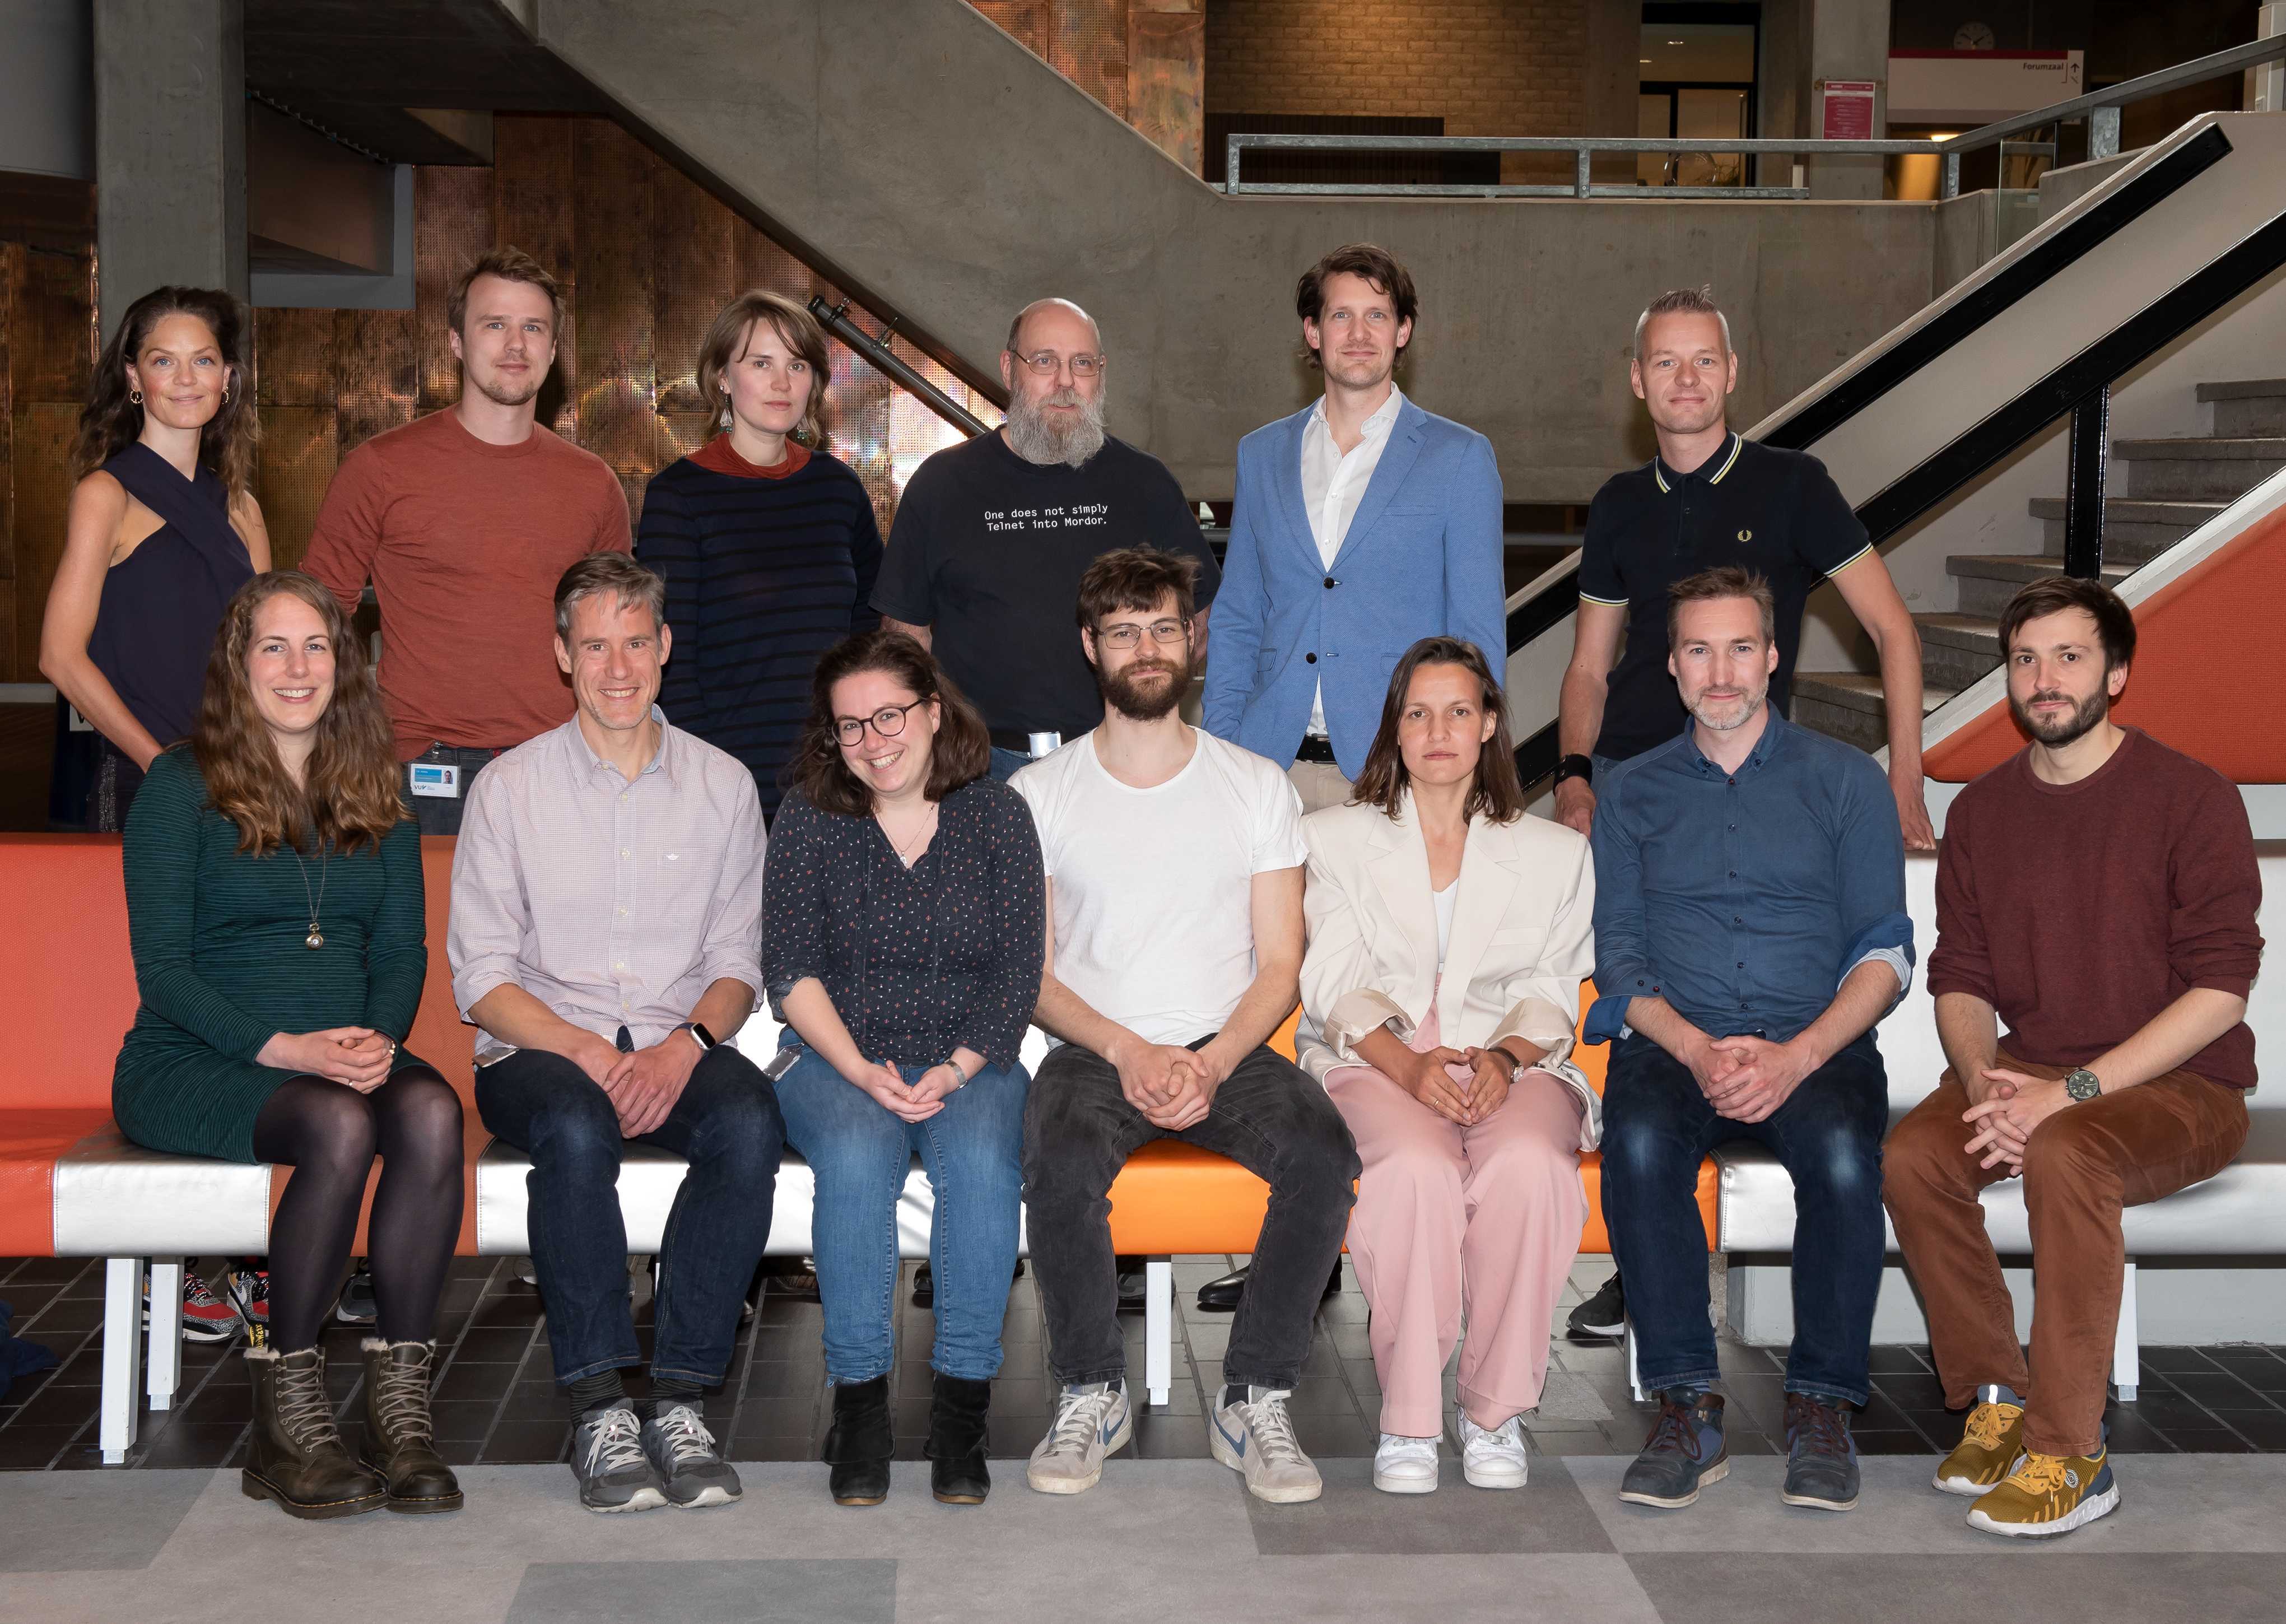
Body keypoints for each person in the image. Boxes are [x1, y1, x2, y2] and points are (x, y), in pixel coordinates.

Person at [1551, 284, 1933, 1344]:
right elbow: (1588, 663)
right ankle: (1646, 1253)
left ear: (1730, 373)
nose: (1684, 379)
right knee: (1634, 1018)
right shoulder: (1619, 502)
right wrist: (1575, 773)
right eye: (1663, 362)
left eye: (1702, 361)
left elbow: (1893, 631)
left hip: (1752, 766)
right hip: (1638, 783)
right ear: (1638, 382)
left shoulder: (1794, 485)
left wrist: (1903, 773)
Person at [1883, 576, 2260, 1540]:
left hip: (2184, 1088)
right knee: (1917, 1154)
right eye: (2024, 658)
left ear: (2118, 672)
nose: (2042, 678)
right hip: (2029, 1068)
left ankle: (2071, 1450)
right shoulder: (1981, 812)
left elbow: (2218, 990)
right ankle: (1999, 1398)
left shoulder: (2191, 797)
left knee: (2067, 1149)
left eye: (2069, 655)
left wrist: (2066, 1095)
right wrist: (1984, 1087)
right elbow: (1958, 975)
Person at [1014, 547, 1359, 1505]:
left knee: (1324, 1153)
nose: (1147, 646)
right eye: (1123, 630)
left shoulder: (1255, 785)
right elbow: (1032, 974)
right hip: (1094, 1048)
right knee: (1061, 1153)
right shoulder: (1041, 795)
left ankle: (1253, 1395)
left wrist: (1208, 1060)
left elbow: (1281, 964)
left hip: (1229, 1046)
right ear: (1091, 646)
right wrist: (1128, 1049)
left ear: (1194, 636)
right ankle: (1091, 1388)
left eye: (1164, 625)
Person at [114, 571, 463, 1520]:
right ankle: (289, 1411)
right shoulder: (183, 784)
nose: (297, 666)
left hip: (338, 1054)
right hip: (195, 1057)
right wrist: (289, 1049)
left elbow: (400, 950)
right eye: (274, 646)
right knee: (341, 1124)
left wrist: (375, 1038)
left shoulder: (375, 787)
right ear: (239, 664)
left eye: (316, 646)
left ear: (344, 665)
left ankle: (399, 1410)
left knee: (431, 1109)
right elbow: (165, 973)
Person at [449, 554, 781, 1515]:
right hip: (541, 1052)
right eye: (595, 644)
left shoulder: (722, 786)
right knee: (578, 1128)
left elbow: (739, 957)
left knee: (749, 1123)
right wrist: (590, 1051)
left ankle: (679, 1399)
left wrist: (685, 1043)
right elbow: (483, 976)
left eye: (637, 640)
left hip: (680, 1040)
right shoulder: (509, 788)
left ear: (666, 647)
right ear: (562, 655)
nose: (619, 665)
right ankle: (598, 1407)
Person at [1589, 566, 1911, 1516]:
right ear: (1673, 665)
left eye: (1739, 647)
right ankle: (1686, 1402)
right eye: (1698, 649)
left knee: (1849, 1157)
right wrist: (1695, 1048)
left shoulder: (1846, 780)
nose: (1719, 671)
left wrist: (1797, 1054)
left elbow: (1885, 952)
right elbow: (1620, 961)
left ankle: (1820, 1402)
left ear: (1773, 657)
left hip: (1816, 1039)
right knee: (1640, 1143)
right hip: (1674, 1036)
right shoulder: (1632, 791)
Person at [1298, 636, 1599, 1495]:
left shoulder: (1554, 853)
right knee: (1418, 1168)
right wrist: (1406, 1062)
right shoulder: (1333, 839)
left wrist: (1505, 1057)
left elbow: (1550, 986)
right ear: (1395, 728)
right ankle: (1409, 1417)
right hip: (1377, 1049)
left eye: (1459, 710)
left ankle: (1494, 1408)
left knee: (1530, 1164)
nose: (1439, 730)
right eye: (1419, 712)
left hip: (1513, 1052)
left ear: (1490, 723)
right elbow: (1329, 979)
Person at [764, 629, 1042, 1507]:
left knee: (984, 1168)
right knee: (854, 1161)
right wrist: (856, 1067)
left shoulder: (997, 810)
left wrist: (959, 1068)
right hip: (834, 1052)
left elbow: (1017, 967)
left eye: (889, 714)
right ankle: (859, 1409)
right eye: (850, 726)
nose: (873, 740)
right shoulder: (810, 813)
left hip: (972, 1054)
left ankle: (961, 1408)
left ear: (931, 710)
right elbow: (790, 968)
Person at [305, 245, 631, 837]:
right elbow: (316, 619)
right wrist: (332, 747)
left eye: (533, 328)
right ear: (456, 341)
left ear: (554, 351)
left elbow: (615, 638)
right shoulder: (380, 467)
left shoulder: (593, 485)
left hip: (559, 769)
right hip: (420, 774)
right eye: (494, 324)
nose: (515, 345)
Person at [1203, 243, 1506, 815]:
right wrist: (1224, 744)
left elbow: (1477, 636)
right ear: (1313, 332)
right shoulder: (1261, 454)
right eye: (1341, 315)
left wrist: (1462, 766)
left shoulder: (1460, 458)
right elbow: (1240, 613)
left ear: (1403, 331)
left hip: (1396, 770)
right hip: (1268, 770)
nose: (1359, 333)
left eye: (1377, 315)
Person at [873, 297, 1221, 781]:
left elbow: (1197, 623)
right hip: (979, 766)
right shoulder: (942, 485)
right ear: (1008, 369)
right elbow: (906, 637)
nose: (1064, 381)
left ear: (1100, 373)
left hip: (1118, 762)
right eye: (1044, 361)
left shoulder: (1145, 483)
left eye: (1082, 364)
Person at [638, 290, 883, 818]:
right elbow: (670, 659)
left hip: (837, 774)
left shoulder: (838, 489)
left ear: (814, 381)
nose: (781, 382)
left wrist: (860, 747)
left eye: (797, 364)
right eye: (761, 363)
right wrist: (710, 781)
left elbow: (869, 632)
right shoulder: (679, 496)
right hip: (727, 780)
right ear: (723, 378)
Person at [44, 286, 266, 832]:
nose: (187, 378)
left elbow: (265, 653)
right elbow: (60, 656)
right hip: (143, 777)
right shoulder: (107, 494)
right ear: (135, 379)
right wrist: (160, 763)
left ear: (227, 379)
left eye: (204, 360)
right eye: (164, 361)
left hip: (244, 776)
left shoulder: (243, 507)